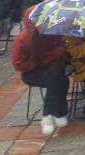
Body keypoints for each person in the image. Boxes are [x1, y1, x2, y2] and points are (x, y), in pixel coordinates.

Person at [13, 8, 70, 136]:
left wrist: (52, 56)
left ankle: (56, 113)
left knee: (60, 79)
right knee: (56, 80)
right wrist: (40, 62)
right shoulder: (22, 39)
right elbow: (18, 63)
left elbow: (63, 44)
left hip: (53, 66)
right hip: (32, 72)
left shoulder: (53, 30)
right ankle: (51, 114)